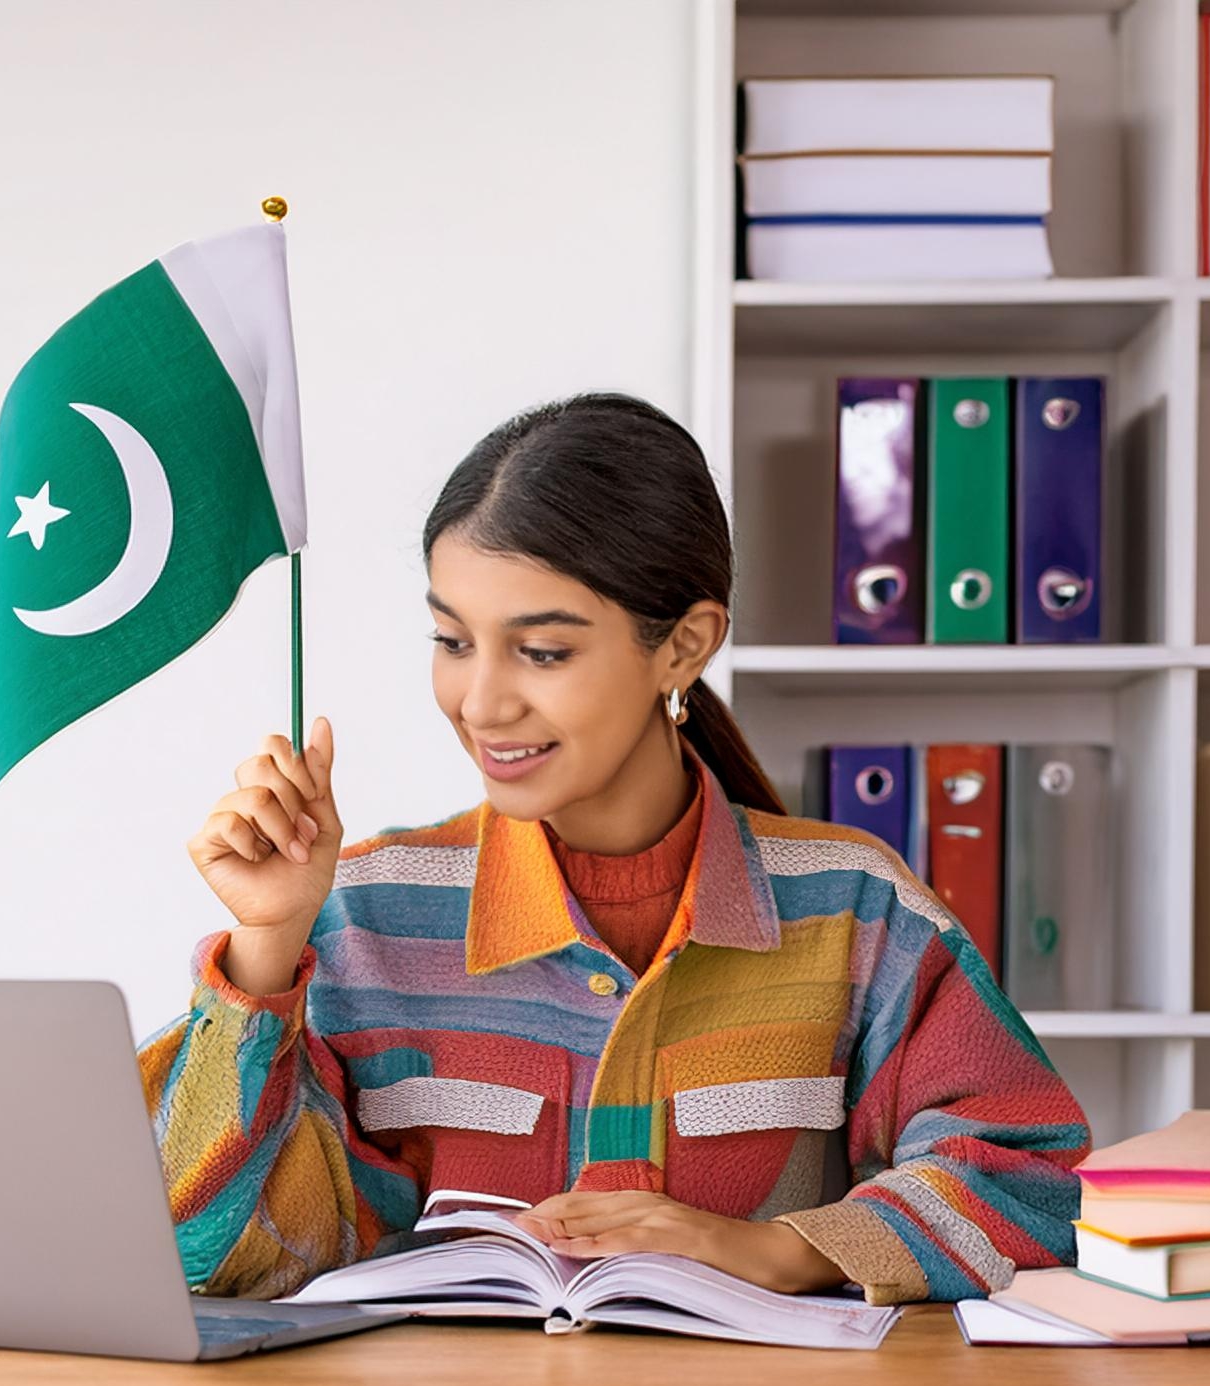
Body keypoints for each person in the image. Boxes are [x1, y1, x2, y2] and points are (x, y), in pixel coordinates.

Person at [135, 391, 1091, 1307]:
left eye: (542, 652)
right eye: (453, 640)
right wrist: (263, 953)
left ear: (683, 645)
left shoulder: (854, 906)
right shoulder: (362, 914)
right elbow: (202, 1253)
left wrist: (777, 1248)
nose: (481, 702)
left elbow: (1033, 1181)